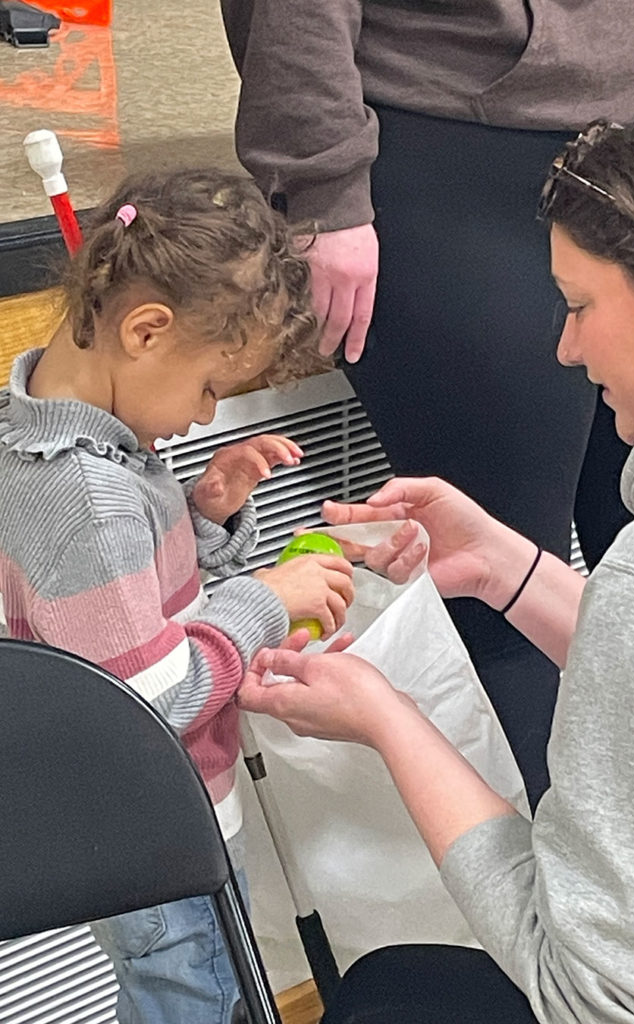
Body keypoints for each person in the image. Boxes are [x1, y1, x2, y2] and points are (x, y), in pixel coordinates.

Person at [237, 89, 634, 1023]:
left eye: (580, 304)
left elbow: (597, 1000)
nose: (564, 346)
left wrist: (389, 719)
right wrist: (511, 571)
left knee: (386, 994)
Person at [220, 0, 634, 805]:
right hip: (459, 135)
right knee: (504, 610)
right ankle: (580, 894)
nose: (570, 345)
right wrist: (319, 181)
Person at [0, 168, 356, 1024]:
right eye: (209, 389)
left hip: (151, 819)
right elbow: (149, 697)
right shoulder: (82, 492)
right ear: (147, 331)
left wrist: (201, 513)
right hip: (148, 831)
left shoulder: (86, 447)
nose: (203, 418)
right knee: (188, 996)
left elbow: (122, 609)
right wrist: (267, 598)